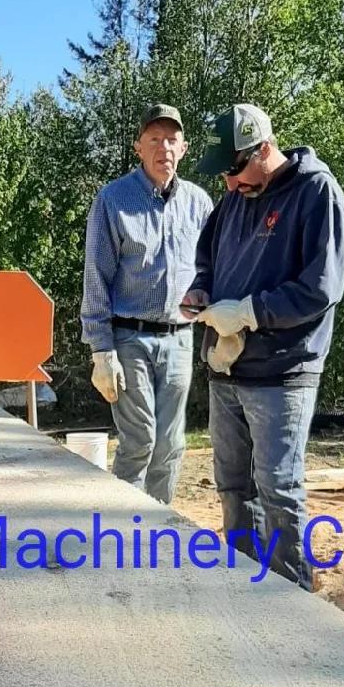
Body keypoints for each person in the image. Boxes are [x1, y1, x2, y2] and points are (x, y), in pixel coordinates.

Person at [182, 104, 344, 590]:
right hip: (227, 368)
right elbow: (207, 260)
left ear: (265, 148)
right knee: (234, 486)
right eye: (225, 176)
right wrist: (202, 292)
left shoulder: (316, 193)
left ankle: (293, 596)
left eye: (235, 170)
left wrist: (251, 311)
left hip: (282, 371)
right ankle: (243, 587)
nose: (230, 185)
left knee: (278, 487)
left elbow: (321, 287)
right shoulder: (234, 198)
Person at [81, 104, 213, 504]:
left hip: (180, 338)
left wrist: (224, 324)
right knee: (140, 440)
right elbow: (96, 276)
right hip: (129, 339)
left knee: (171, 444)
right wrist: (101, 351)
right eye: (154, 140)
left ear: (184, 148)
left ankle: (159, 531)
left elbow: (213, 270)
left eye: (171, 140)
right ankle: (125, 531)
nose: (164, 149)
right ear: (139, 147)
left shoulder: (199, 204)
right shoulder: (113, 199)